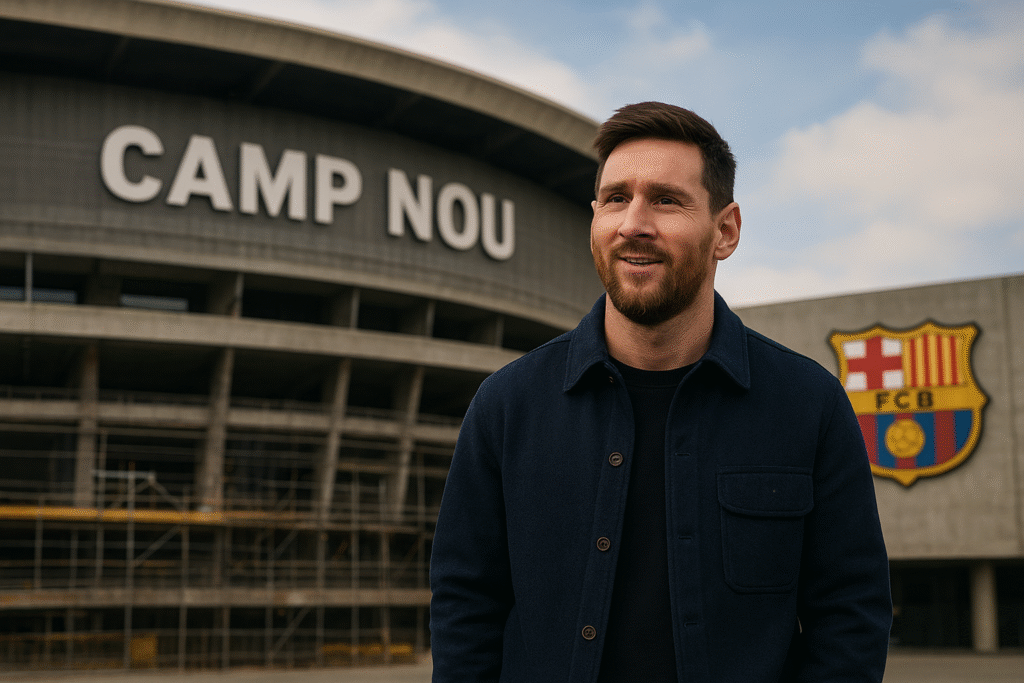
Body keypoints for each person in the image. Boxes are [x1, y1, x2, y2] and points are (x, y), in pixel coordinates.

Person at [429, 102, 891, 682]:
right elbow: (465, 611)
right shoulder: (506, 407)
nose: (634, 223)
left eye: (666, 200)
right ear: (594, 218)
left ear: (725, 231)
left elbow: (850, 618)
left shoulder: (810, 406)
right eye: (616, 198)